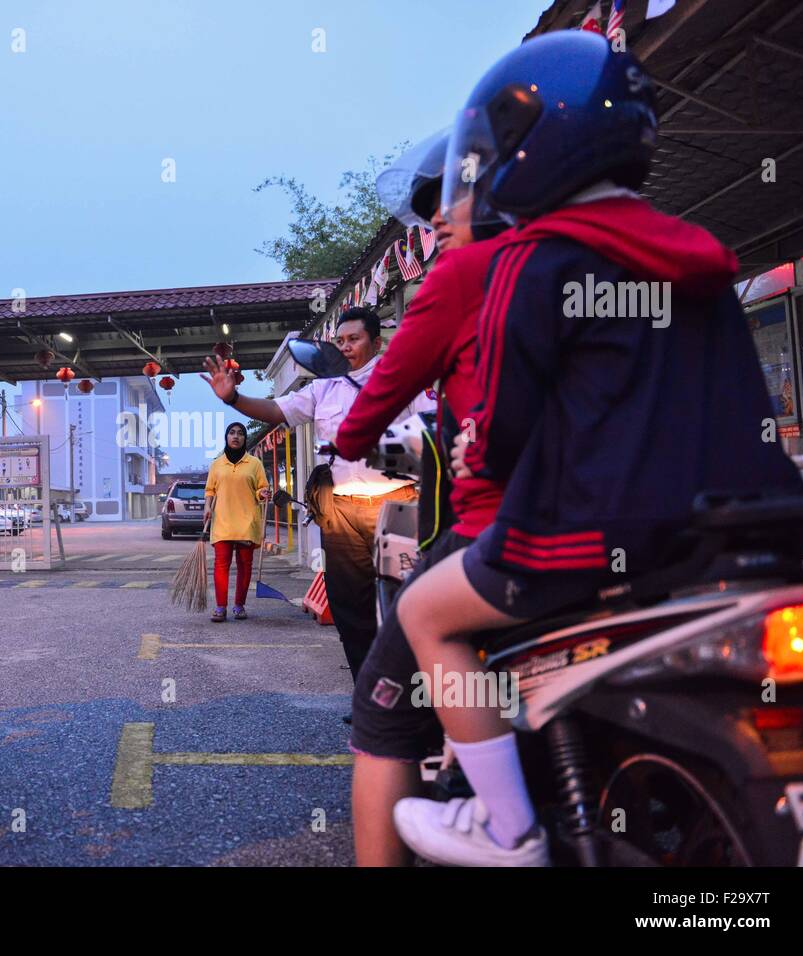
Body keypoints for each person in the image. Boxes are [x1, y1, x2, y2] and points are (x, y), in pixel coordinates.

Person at [388, 31, 803, 866]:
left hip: (582, 537)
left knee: (423, 612)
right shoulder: (699, 259)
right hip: (749, 530)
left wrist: (474, 452)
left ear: (521, 151)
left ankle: (506, 824)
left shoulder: (531, 264)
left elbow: (501, 430)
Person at [332, 130, 509, 866]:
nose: (436, 219)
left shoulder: (468, 275)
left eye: (450, 199)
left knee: (387, 696)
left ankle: (508, 817)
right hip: (674, 526)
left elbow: (360, 428)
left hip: (510, 527)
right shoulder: (643, 258)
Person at [201, 307, 429, 692]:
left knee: (405, 601)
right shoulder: (323, 388)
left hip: (397, 506)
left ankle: (413, 697)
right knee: (348, 606)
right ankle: (371, 696)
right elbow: (276, 410)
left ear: (377, 342)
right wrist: (233, 398)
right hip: (340, 512)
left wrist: (383, 454)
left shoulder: (405, 379)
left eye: (354, 340)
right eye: (340, 341)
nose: (345, 347)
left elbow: (434, 434)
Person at [203, 422, 271, 622]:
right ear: (226, 437)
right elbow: (210, 490)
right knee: (221, 565)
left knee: (245, 565)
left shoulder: (255, 464)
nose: (236, 436)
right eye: (232, 433)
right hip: (222, 522)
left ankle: (239, 605)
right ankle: (220, 607)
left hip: (247, 522)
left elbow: (261, 489)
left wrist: (263, 492)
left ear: (244, 438)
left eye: (240, 433)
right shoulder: (216, 464)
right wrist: (207, 507)